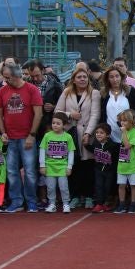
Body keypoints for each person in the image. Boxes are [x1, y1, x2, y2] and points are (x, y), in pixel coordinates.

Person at [0, 62, 43, 213]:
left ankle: (31, 201)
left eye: (8, 77)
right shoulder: (2, 91)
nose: (6, 80)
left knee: (30, 171)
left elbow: (38, 114)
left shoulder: (32, 89)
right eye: (5, 77)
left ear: (17, 76)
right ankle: (16, 201)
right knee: (11, 171)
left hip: (26, 136)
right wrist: (3, 132)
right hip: (10, 137)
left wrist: (32, 135)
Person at [55, 67, 101, 209]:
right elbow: (57, 112)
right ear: (74, 80)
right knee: (73, 165)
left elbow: (95, 114)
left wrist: (88, 133)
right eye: (79, 77)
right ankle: (74, 196)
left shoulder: (94, 93)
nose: (82, 79)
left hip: (87, 133)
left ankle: (88, 196)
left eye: (84, 77)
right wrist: (70, 115)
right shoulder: (66, 92)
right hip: (70, 134)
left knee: (88, 166)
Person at [39, 111, 75, 213]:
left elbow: (71, 152)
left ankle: (66, 204)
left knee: (63, 187)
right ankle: (52, 204)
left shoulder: (68, 137)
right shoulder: (47, 136)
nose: (55, 125)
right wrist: (42, 165)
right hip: (50, 166)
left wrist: (69, 167)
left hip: (62, 167)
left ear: (64, 125)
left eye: (58, 123)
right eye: (53, 123)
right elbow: (42, 150)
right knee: (50, 187)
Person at [101, 65, 135, 146]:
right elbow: (102, 115)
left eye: (117, 76)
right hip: (110, 137)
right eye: (111, 77)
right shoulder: (104, 93)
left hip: (128, 136)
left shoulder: (130, 91)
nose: (115, 79)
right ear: (107, 79)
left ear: (121, 77)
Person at [23, 59, 63, 136]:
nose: (35, 79)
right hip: (31, 125)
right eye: (32, 76)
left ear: (43, 71)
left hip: (49, 125)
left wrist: (54, 107)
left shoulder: (56, 85)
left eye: (37, 75)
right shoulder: (25, 85)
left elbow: (64, 104)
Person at [86, 123, 119, 213]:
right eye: (97, 132)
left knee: (107, 186)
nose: (98, 134)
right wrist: (86, 145)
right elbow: (92, 149)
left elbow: (117, 156)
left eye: (101, 133)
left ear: (108, 135)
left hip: (109, 170)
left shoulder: (113, 145)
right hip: (98, 169)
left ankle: (106, 202)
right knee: (99, 186)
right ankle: (99, 204)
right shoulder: (95, 143)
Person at [114, 109, 135, 214]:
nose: (122, 123)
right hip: (122, 164)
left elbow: (127, 146)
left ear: (131, 121)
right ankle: (122, 204)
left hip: (132, 165)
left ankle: (133, 204)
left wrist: (124, 132)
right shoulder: (124, 131)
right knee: (121, 185)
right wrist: (124, 132)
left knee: (133, 186)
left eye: (125, 120)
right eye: (121, 120)